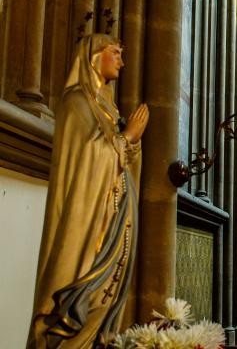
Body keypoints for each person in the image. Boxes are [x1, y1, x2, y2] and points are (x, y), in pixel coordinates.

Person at [28, 34, 149, 348]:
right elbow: (88, 159)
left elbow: (115, 155)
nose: (122, 61)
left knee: (103, 304)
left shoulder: (105, 107)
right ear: (95, 56)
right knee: (78, 299)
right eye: (116, 53)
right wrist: (127, 137)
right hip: (86, 229)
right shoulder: (75, 102)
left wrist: (129, 142)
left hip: (111, 221)